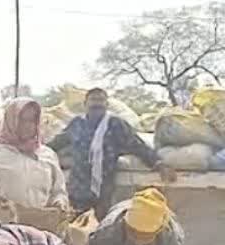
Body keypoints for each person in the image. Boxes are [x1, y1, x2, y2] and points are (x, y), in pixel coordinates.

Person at [50, 88, 175, 219]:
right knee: (75, 230)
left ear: (107, 105)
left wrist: (159, 164)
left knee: (100, 231)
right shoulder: (76, 124)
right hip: (77, 190)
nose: (97, 104)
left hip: (103, 194)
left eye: (101, 100)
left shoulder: (115, 124)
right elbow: (58, 142)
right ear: (85, 104)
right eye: (93, 100)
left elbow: (136, 145)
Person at [0, 97, 68, 215]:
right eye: (22, 120)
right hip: (4, 227)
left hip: (41, 226)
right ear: (10, 121)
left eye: (32, 120)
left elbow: (59, 192)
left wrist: (59, 202)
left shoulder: (48, 155)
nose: (28, 125)